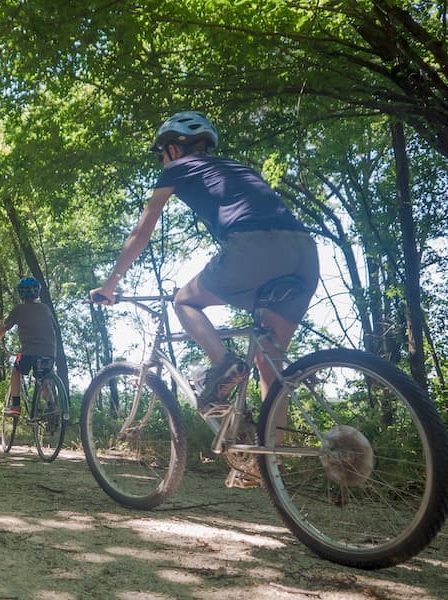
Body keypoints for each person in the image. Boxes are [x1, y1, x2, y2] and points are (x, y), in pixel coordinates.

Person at [90, 111, 319, 485]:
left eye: (162, 154)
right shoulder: (235, 168)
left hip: (254, 246)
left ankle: (224, 364)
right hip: (304, 252)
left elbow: (142, 230)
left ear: (174, 148)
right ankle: (265, 464)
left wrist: (111, 283)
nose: (162, 161)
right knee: (269, 361)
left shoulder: (179, 168)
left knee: (184, 300)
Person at [0, 277, 57, 417]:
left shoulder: (19, 309)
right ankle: (52, 406)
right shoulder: (45, 308)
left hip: (29, 353)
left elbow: (4, 328)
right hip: (49, 352)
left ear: (20, 294)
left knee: (16, 370)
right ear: (38, 293)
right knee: (43, 378)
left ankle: (15, 406)